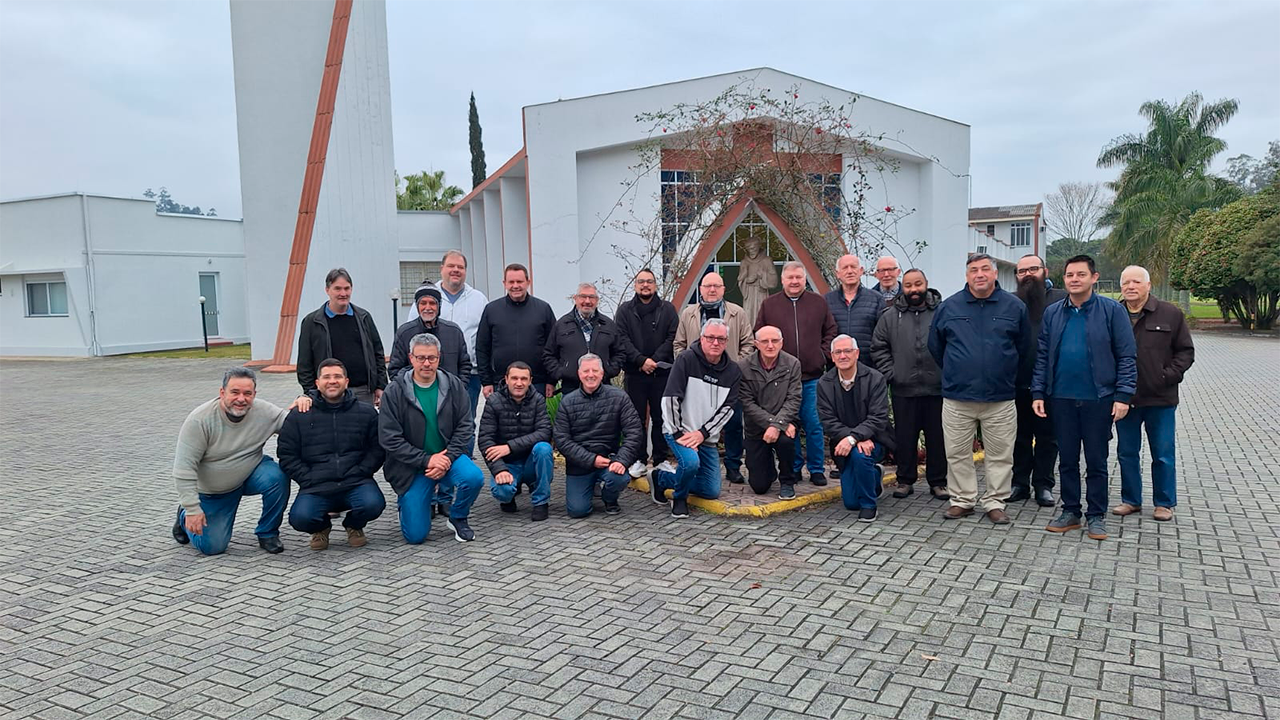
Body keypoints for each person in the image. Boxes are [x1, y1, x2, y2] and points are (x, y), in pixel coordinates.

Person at [1034, 255, 1136, 541]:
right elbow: (1042, 356)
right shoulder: (1053, 313)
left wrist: (1123, 395)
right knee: (1067, 459)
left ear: (1094, 277)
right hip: (1061, 399)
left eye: (1080, 274)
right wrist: (1038, 392)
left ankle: (1096, 515)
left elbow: (1127, 356)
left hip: (1098, 399)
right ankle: (1070, 511)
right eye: (1069, 275)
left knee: (1096, 460)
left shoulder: (1112, 311)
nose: (1074, 279)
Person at [928, 253, 1030, 525]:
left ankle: (995, 502)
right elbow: (936, 346)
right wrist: (958, 370)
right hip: (958, 398)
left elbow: (1023, 348)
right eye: (974, 270)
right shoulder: (949, 307)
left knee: (1001, 455)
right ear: (967, 275)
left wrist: (1004, 373)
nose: (980, 274)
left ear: (995, 274)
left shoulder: (1014, 307)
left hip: (1000, 398)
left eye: (985, 269)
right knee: (957, 453)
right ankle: (963, 500)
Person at [171, 368, 312, 555]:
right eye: (235, 392)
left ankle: (267, 532)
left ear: (254, 394)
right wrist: (191, 509)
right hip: (214, 492)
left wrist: (306, 401)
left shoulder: (264, 411)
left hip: (250, 474)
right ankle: (183, 516)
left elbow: (297, 426)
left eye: (247, 393)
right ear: (222, 392)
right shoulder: (200, 420)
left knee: (277, 476)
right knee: (213, 547)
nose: (241, 399)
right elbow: (183, 469)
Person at [378, 333, 485, 543]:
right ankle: (408, 504)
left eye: (431, 358)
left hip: (447, 458)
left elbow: (465, 426)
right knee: (415, 536)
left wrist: (446, 459)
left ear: (439, 358)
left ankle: (458, 517)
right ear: (411, 358)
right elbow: (389, 438)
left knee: (473, 477)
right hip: (412, 467)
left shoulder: (454, 386)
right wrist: (427, 460)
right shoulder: (394, 391)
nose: (426, 363)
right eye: (421, 358)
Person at [1113, 265, 1195, 522]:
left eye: (1136, 282)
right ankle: (1131, 500)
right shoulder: (1114, 313)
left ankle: (1164, 503)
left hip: (1161, 398)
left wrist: (1167, 376)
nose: (1130, 287)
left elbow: (1185, 351)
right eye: (1126, 282)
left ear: (1148, 285)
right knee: (1126, 453)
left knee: (1162, 453)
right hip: (1126, 399)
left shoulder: (1170, 313)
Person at [278, 358, 386, 550]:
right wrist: (308, 478)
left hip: (356, 481)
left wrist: (362, 471)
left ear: (346, 381)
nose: (332, 381)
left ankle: (354, 525)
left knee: (373, 504)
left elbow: (377, 449)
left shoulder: (366, 412)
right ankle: (321, 528)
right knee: (300, 518)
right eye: (326, 377)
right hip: (316, 485)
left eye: (337, 376)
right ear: (317, 383)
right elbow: (287, 455)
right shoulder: (300, 415)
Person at [754, 261, 837, 486]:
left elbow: (831, 330)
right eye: (790, 278)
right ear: (782, 280)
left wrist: (822, 355)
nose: (794, 281)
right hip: (782, 379)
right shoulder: (769, 305)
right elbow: (759, 333)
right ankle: (794, 467)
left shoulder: (818, 302)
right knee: (789, 425)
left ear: (804, 279)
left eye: (798, 277)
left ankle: (817, 469)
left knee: (813, 424)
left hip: (812, 377)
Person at [870, 268, 948, 500]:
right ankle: (905, 480)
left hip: (936, 389)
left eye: (918, 284)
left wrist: (946, 372)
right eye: (909, 285)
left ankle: (938, 482)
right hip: (903, 389)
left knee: (937, 439)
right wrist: (892, 373)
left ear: (926, 284)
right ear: (902, 287)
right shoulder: (890, 316)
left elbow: (953, 343)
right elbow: (878, 346)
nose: (914, 289)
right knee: (905, 438)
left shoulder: (941, 312)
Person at [653, 319, 743, 518]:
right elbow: (670, 399)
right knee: (691, 463)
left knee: (711, 490)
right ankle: (679, 498)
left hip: (705, 437)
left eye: (720, 339)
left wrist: (702, 434)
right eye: (710, 337)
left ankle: (661, 478)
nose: (715, 342)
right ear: (702, 338)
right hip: (679, 431)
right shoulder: (685, 359)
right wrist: (678, 434)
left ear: (726, 342)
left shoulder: (733, 371)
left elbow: (727, 410)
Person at [673, 271, 754, 484]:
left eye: (716, 286)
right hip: (696, 382)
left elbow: (748, 343)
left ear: (723, 289)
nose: (712, 290)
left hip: (729, 380)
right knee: (697, 423)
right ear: (700, 289)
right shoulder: (688, 313)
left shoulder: (737, 313)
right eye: (708, 286)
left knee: (733, 423)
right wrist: (686, 366)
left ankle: (733, 466)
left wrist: (734, 367)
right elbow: (679, 344)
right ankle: (700, 463)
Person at [553, 354, 644, 518]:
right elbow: (562, 440)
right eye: (586, 371)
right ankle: (590, 488)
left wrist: (621, 460)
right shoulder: (567, 402)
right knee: (577, 511)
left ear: (602, 373)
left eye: (595, 371)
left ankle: (609, 498)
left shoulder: (619, 397)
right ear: (579, 374)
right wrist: (591, 459)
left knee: (618, 478)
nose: (590, 375)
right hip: (579, 465)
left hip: (609, 460)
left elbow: (634, 432)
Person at [1010, 254, 1068, 507]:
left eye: (1033, 269)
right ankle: (1019, 483)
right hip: (1017, 383)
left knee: (1048, 438)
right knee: (1019, 437)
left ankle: (1044, 485)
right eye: (1022, 271)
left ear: (1045, 271)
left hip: (1051, 385)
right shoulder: (1010, 302)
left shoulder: (1062, 300)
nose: (1027, 275)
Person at [816, 335, 894, 522]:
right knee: (851, 503)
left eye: (847, 351)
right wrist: (853, 438)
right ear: (832, 356)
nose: (843, 356)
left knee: (861, 454)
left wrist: (854, 438)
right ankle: (875, 475)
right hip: (842, 444)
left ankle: (869, 505)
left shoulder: (875, 378)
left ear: (857, 353)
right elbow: (827, 420)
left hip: (874, 440)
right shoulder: (824, 383)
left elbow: (878, 417)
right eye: (838, 352)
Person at [614, 269, 679, 477]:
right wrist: (641, 360)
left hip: (662, 374)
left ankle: (660, 459)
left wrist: (654, 361)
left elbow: (672, 337)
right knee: (636, 419)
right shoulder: (624, 311)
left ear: (655, 285)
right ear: (635, 285)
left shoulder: (668, 309)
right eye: (641, 281)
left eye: (649, 281)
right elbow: (622, 339)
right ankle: (638, 459)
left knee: (661, 418)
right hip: (635, 373)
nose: (645, 285)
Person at [297, 268, 388, 407]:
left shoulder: (364, 317)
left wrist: (380, 386)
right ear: (327, 290)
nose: (343, 293)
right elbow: (304, 363)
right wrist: (312, 393)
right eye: (337, 289)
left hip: (363, 393)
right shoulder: (312, 322)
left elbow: (378, 354)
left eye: (347, 288)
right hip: (328, 393)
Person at [478, 361, 554, 522]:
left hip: (531, 461)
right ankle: (509, 494)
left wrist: (509, 447)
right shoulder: (494, 401)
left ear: (530, 381)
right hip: (508, 464)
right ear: (506, 379)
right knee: (502, 492)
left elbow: (545, 432)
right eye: (514, 378)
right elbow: (485, 440)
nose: (519, 383)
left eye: (524, 379)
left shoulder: (538, 400)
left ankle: (541, 502)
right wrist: (499, 470)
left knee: (544, 449)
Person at [476, 263, 558, 399]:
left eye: (519, 281)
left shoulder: (543, 309)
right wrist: (486, 381)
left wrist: (551, 380)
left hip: (537, 383)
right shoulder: (492, 310)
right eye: (511, 282)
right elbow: (482, 348)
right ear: (504, 283)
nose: (515, 286)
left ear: (528, 282)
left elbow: (553, 347)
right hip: (501, 383)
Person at [738, 326, 802, 498]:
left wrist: (778, 425)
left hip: (784, 421)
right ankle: (769, 468)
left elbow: (794, 399)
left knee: (786, 441)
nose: (770, 345)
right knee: (759, 486)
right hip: (756, 427)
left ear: (782, 343)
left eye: (774, 341)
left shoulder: (793, 364)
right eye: (765, 341)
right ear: (756, 344)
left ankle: (787, 481)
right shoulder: (743, 367)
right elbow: (747, 403)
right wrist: (772, 424)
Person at [544, 282, 630, 395]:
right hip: (571, 389)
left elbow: (620, 352)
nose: (587, 301)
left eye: (592, 297)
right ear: (575, 299)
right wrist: (561, 372)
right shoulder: (561, 325)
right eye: (583, 297)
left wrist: (609, 370)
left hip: (603, 389)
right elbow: (549, 354)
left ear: (597, 300)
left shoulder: (608, 325)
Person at [437, 250, 489, 414]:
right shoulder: (428, 297)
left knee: (467, 420)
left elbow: (487, 338)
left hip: (470, 376)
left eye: (460, 267)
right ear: (442, 268)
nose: (455, 270)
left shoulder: (479, 299)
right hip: (433, 374)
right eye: (451, 266)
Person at [389, 281, 472, 379]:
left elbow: (464, 366)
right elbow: (395, 370)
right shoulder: (405, 333)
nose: (428, 308)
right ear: (417, 306)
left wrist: (459, 386)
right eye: (423, 303)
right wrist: (409, 386)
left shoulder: (454, 332)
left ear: (439, 306)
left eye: (432, 303)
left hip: (450, 389)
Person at [825, 254, 882, 368]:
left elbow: (882, 336)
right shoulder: (826, 301)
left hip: (869, 367)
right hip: (836, 367)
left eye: (853, 267)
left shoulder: (876, 299)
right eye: (845, 268)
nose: (850, 271)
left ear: (861, 271)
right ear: (838, 274)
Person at [737, 236, 778, 326]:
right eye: (749, 249)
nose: (751, 251)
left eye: (754, 248)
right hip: (749, 293)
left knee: (762, 313)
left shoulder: (767, 260)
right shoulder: (744, 262)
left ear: (758, 247)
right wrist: (747, 279)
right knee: (748, 316)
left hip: (761, 292)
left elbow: (773, 279)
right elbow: (740, 279)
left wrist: (762, 275)